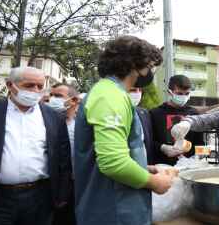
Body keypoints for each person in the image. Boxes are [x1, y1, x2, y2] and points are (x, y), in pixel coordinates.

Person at [74, 36, 174, 225]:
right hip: (112, 211)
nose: (151, 73)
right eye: (151, 66)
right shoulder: (109, 96)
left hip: (119, 206)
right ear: (135, 65)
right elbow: (113, 162)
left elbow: (115, 150)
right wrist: (155, 183)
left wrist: (143, 167)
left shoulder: (113, 93)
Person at [0, 67, 72, 225]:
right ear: (10, 85)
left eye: (40, 86)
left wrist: (62, 194)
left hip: (39, 198)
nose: (35, 90)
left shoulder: (53, 118)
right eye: (29, 85)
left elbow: (63, 159)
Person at [150, 75, 204, 165]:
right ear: (169, 92)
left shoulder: (193, 113)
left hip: (188, 165)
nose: (183, 97)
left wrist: (195, 158)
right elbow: (150, 141)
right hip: (162, 166)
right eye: (179, 93)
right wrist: (163, 147)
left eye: (187, 94)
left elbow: (199, 143)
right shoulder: (155, 113)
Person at [47, 83, 80, 225]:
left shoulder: (83, 126)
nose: (52, 99)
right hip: (49, 187)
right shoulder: (44, 124)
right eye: (51, 95)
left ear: (74, 100)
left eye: (58, 96)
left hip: (77, 186)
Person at [129, 87, 156, 165]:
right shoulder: (114, 116)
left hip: (145, 166)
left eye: (140, 90)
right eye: (133, 90)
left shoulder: (144, 112)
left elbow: (148, 142)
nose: (137, 94)